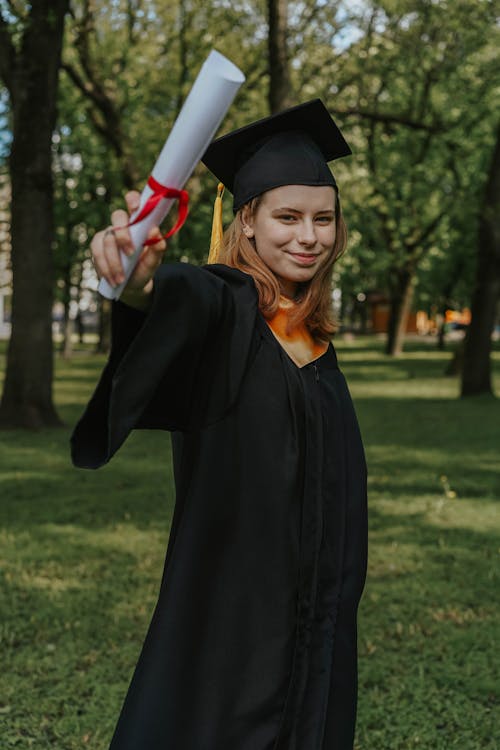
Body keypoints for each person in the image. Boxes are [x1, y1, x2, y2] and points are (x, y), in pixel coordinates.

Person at [71, 99, 368, 750]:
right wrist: (140, 282)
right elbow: (185, 296)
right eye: (287, 217)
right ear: (249, 222)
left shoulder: (316, 345)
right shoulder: (229, 314)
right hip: (234, 631)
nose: (308, 235)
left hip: (316, 629)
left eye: (323, 218)